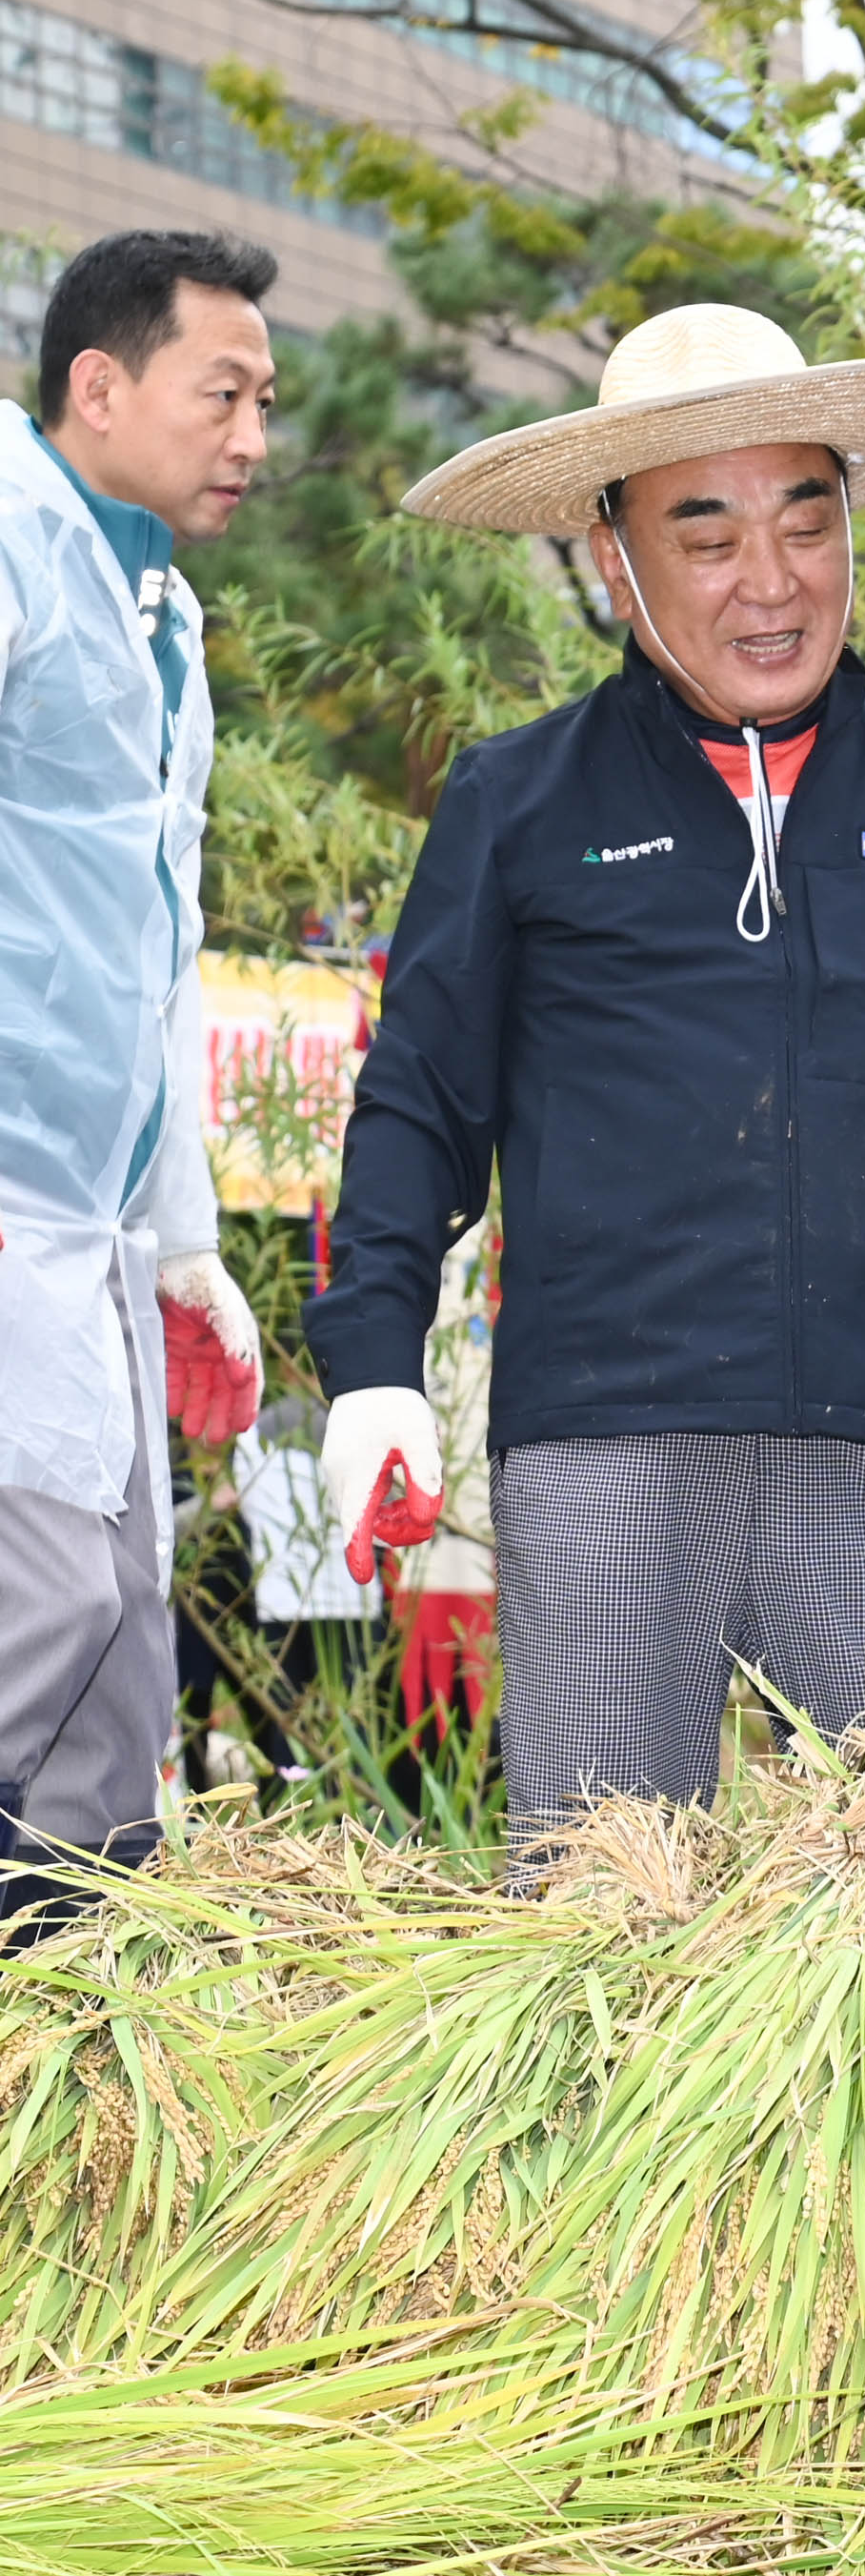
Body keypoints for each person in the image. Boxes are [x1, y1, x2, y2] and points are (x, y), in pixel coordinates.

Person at [306, 305, 865, 1838]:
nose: (770, 582)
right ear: (617, 560)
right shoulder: (520, 799)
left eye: (805, 520)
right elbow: (420, 1104)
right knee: (598, 1931)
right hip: (606, 1448)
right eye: (705, 537)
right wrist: (373, 1366)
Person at [0, 230, 278, 1928]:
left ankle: (83, 2062)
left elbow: (164, 956)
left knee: (112, 1655)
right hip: (4, 1183)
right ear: (99, 388)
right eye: (223, 393)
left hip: (88, 1217)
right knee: (39, 1604)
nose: (253, 438)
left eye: (265, 401)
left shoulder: (161, 609)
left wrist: (183, 1243)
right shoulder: (14, 543)